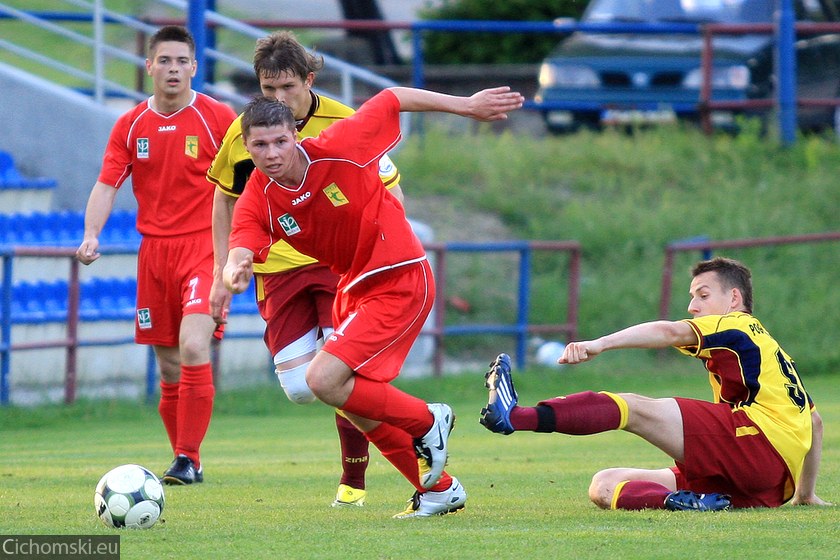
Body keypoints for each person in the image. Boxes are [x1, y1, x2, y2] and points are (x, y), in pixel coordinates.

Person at [223, 85, 524, 517]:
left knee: (321, 379)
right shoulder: (258, 197)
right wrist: (234, 269)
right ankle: (439, 490)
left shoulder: (339, 146)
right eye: (260, 145)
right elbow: (240, 244)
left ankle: (428, 420)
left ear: (295, 135)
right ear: (246, 146)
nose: (271, 154)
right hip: (354, 288)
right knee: (352, 402)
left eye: (280, 141)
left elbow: (392, 98)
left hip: (398, 274)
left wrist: (466, 105)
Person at [207, 31, 405, 508]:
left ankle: (356, 478)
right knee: (300, 388)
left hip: (342, 264)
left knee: (343, 368)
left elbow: (391, 188)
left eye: (287, 87)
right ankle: (412, 424)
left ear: (309, 80)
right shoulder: (246, 131)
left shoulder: (345, 122)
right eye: (268, 88)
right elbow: (225, 200)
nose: (278, 98)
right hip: (277, 269)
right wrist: (222, 270)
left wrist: (388, 254)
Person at [481, 257, 828, 510]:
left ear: (734, 299)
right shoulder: (770, 350)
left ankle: (516, 416)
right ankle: (681, 502)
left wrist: (599, 344)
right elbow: (814, 422)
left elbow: (669, 332)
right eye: (692, 296)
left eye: (703, 295)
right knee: (605, 484)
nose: (692, 306)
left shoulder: (734, 323)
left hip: (754, 446)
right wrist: (804, 494)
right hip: (765, 486)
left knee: (633, 407)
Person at [76, 26, 236, 485]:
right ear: (149, 66)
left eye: (182, 61)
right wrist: (91, 234)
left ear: (194, 67)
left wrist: (237, 250)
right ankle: (188, 460)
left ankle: (187, 457)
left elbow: (248, 181)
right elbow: (107, 184)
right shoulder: (130, 124)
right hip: (155, 254)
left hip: (204, 248)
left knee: (193, 346)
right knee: (168, 366)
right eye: (164, 60)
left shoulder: (217, 118)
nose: (173, 69)